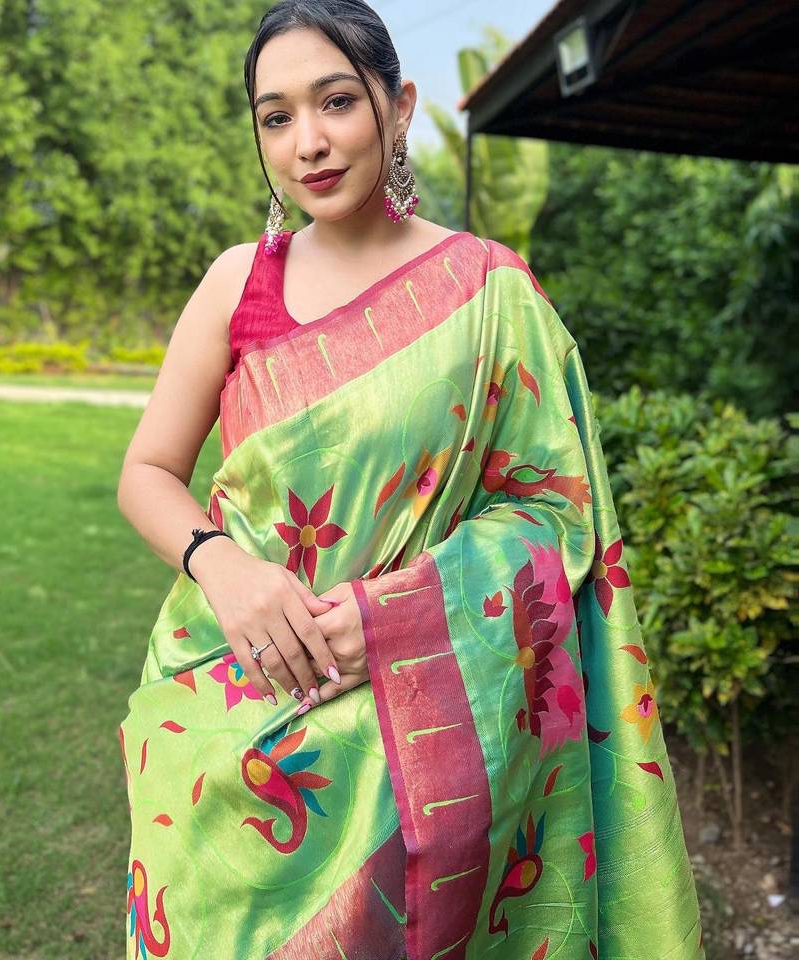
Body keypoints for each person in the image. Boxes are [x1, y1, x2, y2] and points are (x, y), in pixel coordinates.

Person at [116, 2, 706, 957]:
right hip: (227, 720)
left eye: (336, 102)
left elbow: (557, 509)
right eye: (276, 117)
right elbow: (147, 471)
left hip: (422, 743)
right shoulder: (237, 282)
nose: (307, 143)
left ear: (398, 107)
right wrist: (221, 566)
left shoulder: (488, 291)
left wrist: (398, 617)